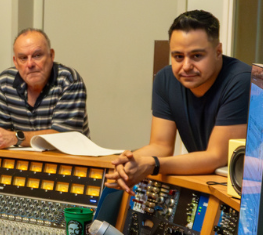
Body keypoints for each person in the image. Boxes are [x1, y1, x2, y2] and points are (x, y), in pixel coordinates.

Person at [106, 10, 250, 192]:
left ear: (218, 51)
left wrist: (152, 164)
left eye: (197, 56)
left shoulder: (241, 81)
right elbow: (160, 146)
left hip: (242, 191)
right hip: (205, 185)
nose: (186, 66)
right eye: (178, 57)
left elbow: (217, 157)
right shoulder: (165, 79)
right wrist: (128, 161)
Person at [0, 28, 89, 150]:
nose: (30, 64)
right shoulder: (4, 82)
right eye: (23, 58)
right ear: (15, 62)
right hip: (20, 164)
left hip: (66, 163)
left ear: (51, 55)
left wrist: (16, 137)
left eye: (37, 56)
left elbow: (65, 137)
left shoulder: (68, 80)